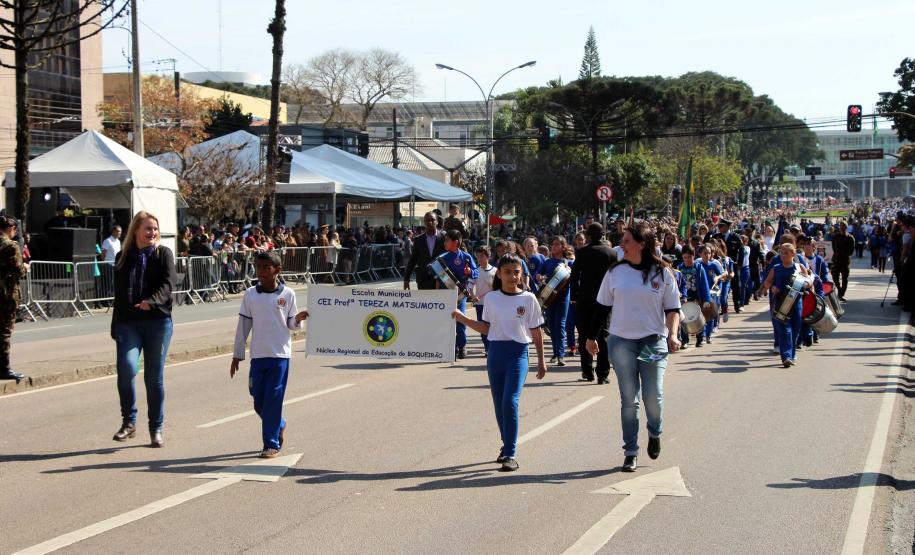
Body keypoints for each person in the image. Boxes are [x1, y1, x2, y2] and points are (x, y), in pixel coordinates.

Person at [585, 227, 681, 472]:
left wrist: (672, 333)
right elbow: (601, 307)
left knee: (653, 396)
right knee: (629, 399)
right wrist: (591, 337)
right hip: (622, 343)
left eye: (626, 241)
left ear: (641, 243)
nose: (622, 245)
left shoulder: (662, 273)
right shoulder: (615, 272)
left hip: (653, 341)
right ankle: (630, 451)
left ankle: (654, 431)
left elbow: (672, 309)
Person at [453, 253, 547, 472]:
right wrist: (463, 319)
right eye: (508, 272)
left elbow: (536, 332)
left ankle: (511, 454)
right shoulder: (493, 298)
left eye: (516, 272)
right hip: (496, 354)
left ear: (522, 274)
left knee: (510, 402)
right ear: (500, 274)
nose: (512, 277)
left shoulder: (529, 299)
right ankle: (506, 444)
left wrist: (541, 361)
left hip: (517, 354)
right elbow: (486, 328)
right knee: (499, 405)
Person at [231, 251, 309, 458]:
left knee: (273, 399)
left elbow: (291, 324)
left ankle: (271, 444)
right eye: (259, 268)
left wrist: (298, 319)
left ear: (278, 270)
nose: (262, 272)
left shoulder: (288, 294)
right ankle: (279, 423)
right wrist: (237, 354)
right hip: (258, 355)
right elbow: (243, 326)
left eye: (267, 268)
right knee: (258, 401)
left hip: (280, 355)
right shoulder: (250, 294)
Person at [111, 211, 175, 447]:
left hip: (158, 321)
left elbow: (169, 283)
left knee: (153, 377)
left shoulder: (163, 254)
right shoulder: (122, 257)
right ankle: (129, 422)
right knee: (127, 369)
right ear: (136, 230)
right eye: (148, 228)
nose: (152, 233)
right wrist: (114, 326)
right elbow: (118, 295)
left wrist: (152, 301)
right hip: (128, 323)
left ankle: (155, 427)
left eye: (155, 229)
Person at [569, 223, 617, 383]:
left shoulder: (582, 253)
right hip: (605, 298)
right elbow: (615, 275)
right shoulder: (611, 252)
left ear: (588, 236)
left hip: (585, 298)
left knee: (584, 335)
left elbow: (574, 275)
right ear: (603, 234)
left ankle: (587, 371)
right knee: (603, 335)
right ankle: (603, 374)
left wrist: (574, 294)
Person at [758, 242, 812, 367]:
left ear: (793, 254)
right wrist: (772, 287)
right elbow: (767, 282)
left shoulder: (799, 267)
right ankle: (786, 356)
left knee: (795, 329)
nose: (783, 255)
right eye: (781, 252)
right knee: (784, 330)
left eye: (786, 253)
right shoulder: (776, 268)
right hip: (780, 304)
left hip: (796, 303)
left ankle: (791, 354)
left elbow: (809, 281)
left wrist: (806, 282)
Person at [439, 230, 479, 359]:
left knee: (460, 320)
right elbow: (438, 277)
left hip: (460, 294)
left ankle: (462, 346)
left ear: (455, 242)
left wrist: (469, 272)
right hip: (445, 294)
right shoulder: (442, 258)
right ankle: (449, 347)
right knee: (445, 321)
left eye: (447, 240)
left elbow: (475, 273)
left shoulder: (466, 257)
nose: (444, 243)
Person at [537, 236, 572, 366]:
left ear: (563, 247)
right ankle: (555, 352)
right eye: (553, 244)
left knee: (560, 325)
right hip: (549, 298)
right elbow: (538, 275)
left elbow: (573, 280)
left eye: (557, 244)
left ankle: (561, 355)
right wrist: (539, 277)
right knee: (551, 325)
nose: (554, 246)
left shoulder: (568, 263)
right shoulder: (547, 262)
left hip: (563, 297)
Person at [0, 216, 26, 381]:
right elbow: (18, 270)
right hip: (6, 293)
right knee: (4, 331)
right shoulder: (11, 246)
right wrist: (25, 267)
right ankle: (4, 368)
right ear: (11, 229)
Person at [404, 212, 445, 290]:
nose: (430, 222)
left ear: (437, 221)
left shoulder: (444, 237)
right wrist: (406, 279)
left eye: (432, 220)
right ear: (424, 222)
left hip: (441, 278)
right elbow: (413, 260)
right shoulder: (418, 240)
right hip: (423, 279)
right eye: (427, 220)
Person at [472, 245, 496, 355]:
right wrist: (472, 296)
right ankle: (488, 349)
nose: (480, 259)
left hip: (493, 304)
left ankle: (492, 348)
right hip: (480, 304)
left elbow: (498, 288)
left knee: (492, 327)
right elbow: (469, 287)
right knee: (483, 328)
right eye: (477, 257)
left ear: (488, 256)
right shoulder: (475, 271)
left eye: (482, 256)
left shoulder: (495, 271)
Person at [831, 222, 855, 302]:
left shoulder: (850, 238)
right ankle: (839, 290)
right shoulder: (835, 237)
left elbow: (851, 251)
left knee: (845, 279)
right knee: (835, 277)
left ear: (846, 227)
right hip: (836, 260)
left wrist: (844, 253)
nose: (841, 227)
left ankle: (841, 294)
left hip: (845, 261)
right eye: (840, 226)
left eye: (843, 226)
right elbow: (833, 247)